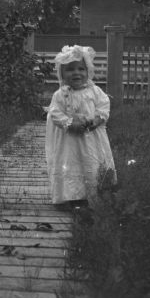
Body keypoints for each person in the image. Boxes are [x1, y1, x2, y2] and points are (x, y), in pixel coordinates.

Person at [45, 45, 117, 210]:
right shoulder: (60, 95)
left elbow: (104, 106)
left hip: (91, 138)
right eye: (70, 69)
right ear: (62, 74)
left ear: (88, 71)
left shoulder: (95, 91)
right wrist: (70, 123)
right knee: (70, 165)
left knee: (92, 163)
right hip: (69, 141)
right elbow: (54, 113)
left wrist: (98, 119)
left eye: (81, 69)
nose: (76, 73)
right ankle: (71, 196)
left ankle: (93, 194)